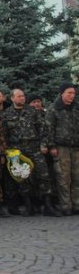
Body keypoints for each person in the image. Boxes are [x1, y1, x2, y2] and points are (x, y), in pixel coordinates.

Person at [1, 88, 61, 217]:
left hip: (34, 148)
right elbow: (3, 135)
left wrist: (43, 144)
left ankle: (48, 205)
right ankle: (29, 206)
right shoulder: (6, 114)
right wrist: (7, 152)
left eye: (23, 96)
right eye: (19, 96)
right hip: (17, 150)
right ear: (12, 98)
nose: (22, 98)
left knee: (43, 175)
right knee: (23, 178)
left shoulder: (32, 111)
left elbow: (43, 129)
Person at [45, 83, 79, 215]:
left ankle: (77, 204)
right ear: (62, 94)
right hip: (61, 147)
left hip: (76, 147)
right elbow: (49, 129)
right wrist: (52, 146)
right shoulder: (54, 109)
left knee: (77, 177)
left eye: (73, 93)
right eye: (69, 93)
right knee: (63, 178)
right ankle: (66, 206)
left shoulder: (77, 108)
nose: (72, 95)